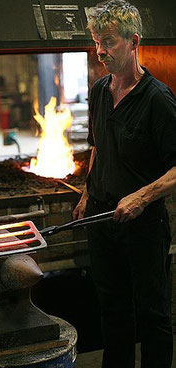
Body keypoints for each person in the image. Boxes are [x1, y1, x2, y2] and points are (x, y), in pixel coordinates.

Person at [73, 0, 176, 367]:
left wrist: (142, 196)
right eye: (97, 42)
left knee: (152, 316)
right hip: (102, 221)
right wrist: (88, 190)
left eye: (109, 42)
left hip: (142, 225)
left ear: (133, 42)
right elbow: (99, 145)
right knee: (112, 310)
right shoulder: (100, 91)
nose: (100, 51)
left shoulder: (158, 100)